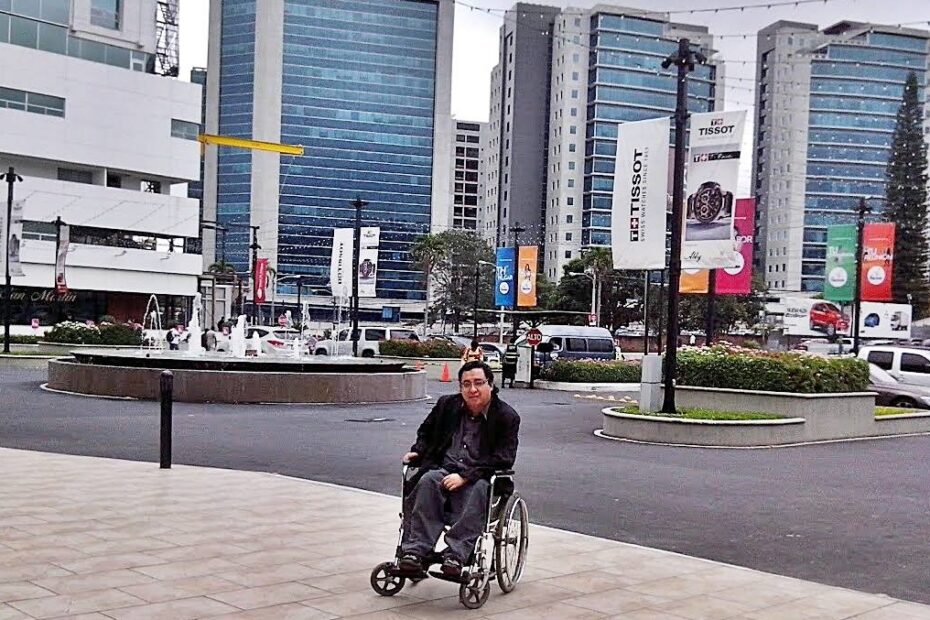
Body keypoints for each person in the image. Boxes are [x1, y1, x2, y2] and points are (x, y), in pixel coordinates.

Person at [398, 361, 520, 578]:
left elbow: (503, 459)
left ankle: (456, 554)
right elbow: (426, 432)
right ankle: (415, 552)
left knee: (480, 489)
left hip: (481, 475)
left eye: (478, 383)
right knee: (428, 480)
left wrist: (465, 476)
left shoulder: (506, 416)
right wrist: (418, 451)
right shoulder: (448, 405)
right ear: (460, 387)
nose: (472, 389)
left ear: (490, 385)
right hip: (444, 469)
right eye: (466, 384)